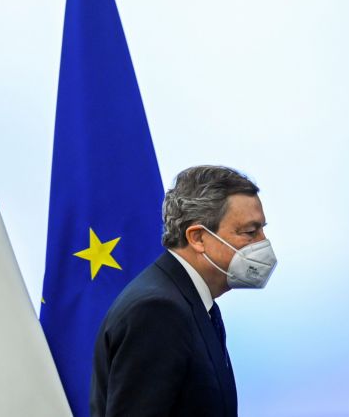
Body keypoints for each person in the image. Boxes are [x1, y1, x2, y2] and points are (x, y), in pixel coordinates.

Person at [90, 165, 277, 416]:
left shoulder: (192, 300)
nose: (263, 243)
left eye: (262, 229)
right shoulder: (157, 310)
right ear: (197, 238)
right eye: (250, 232)